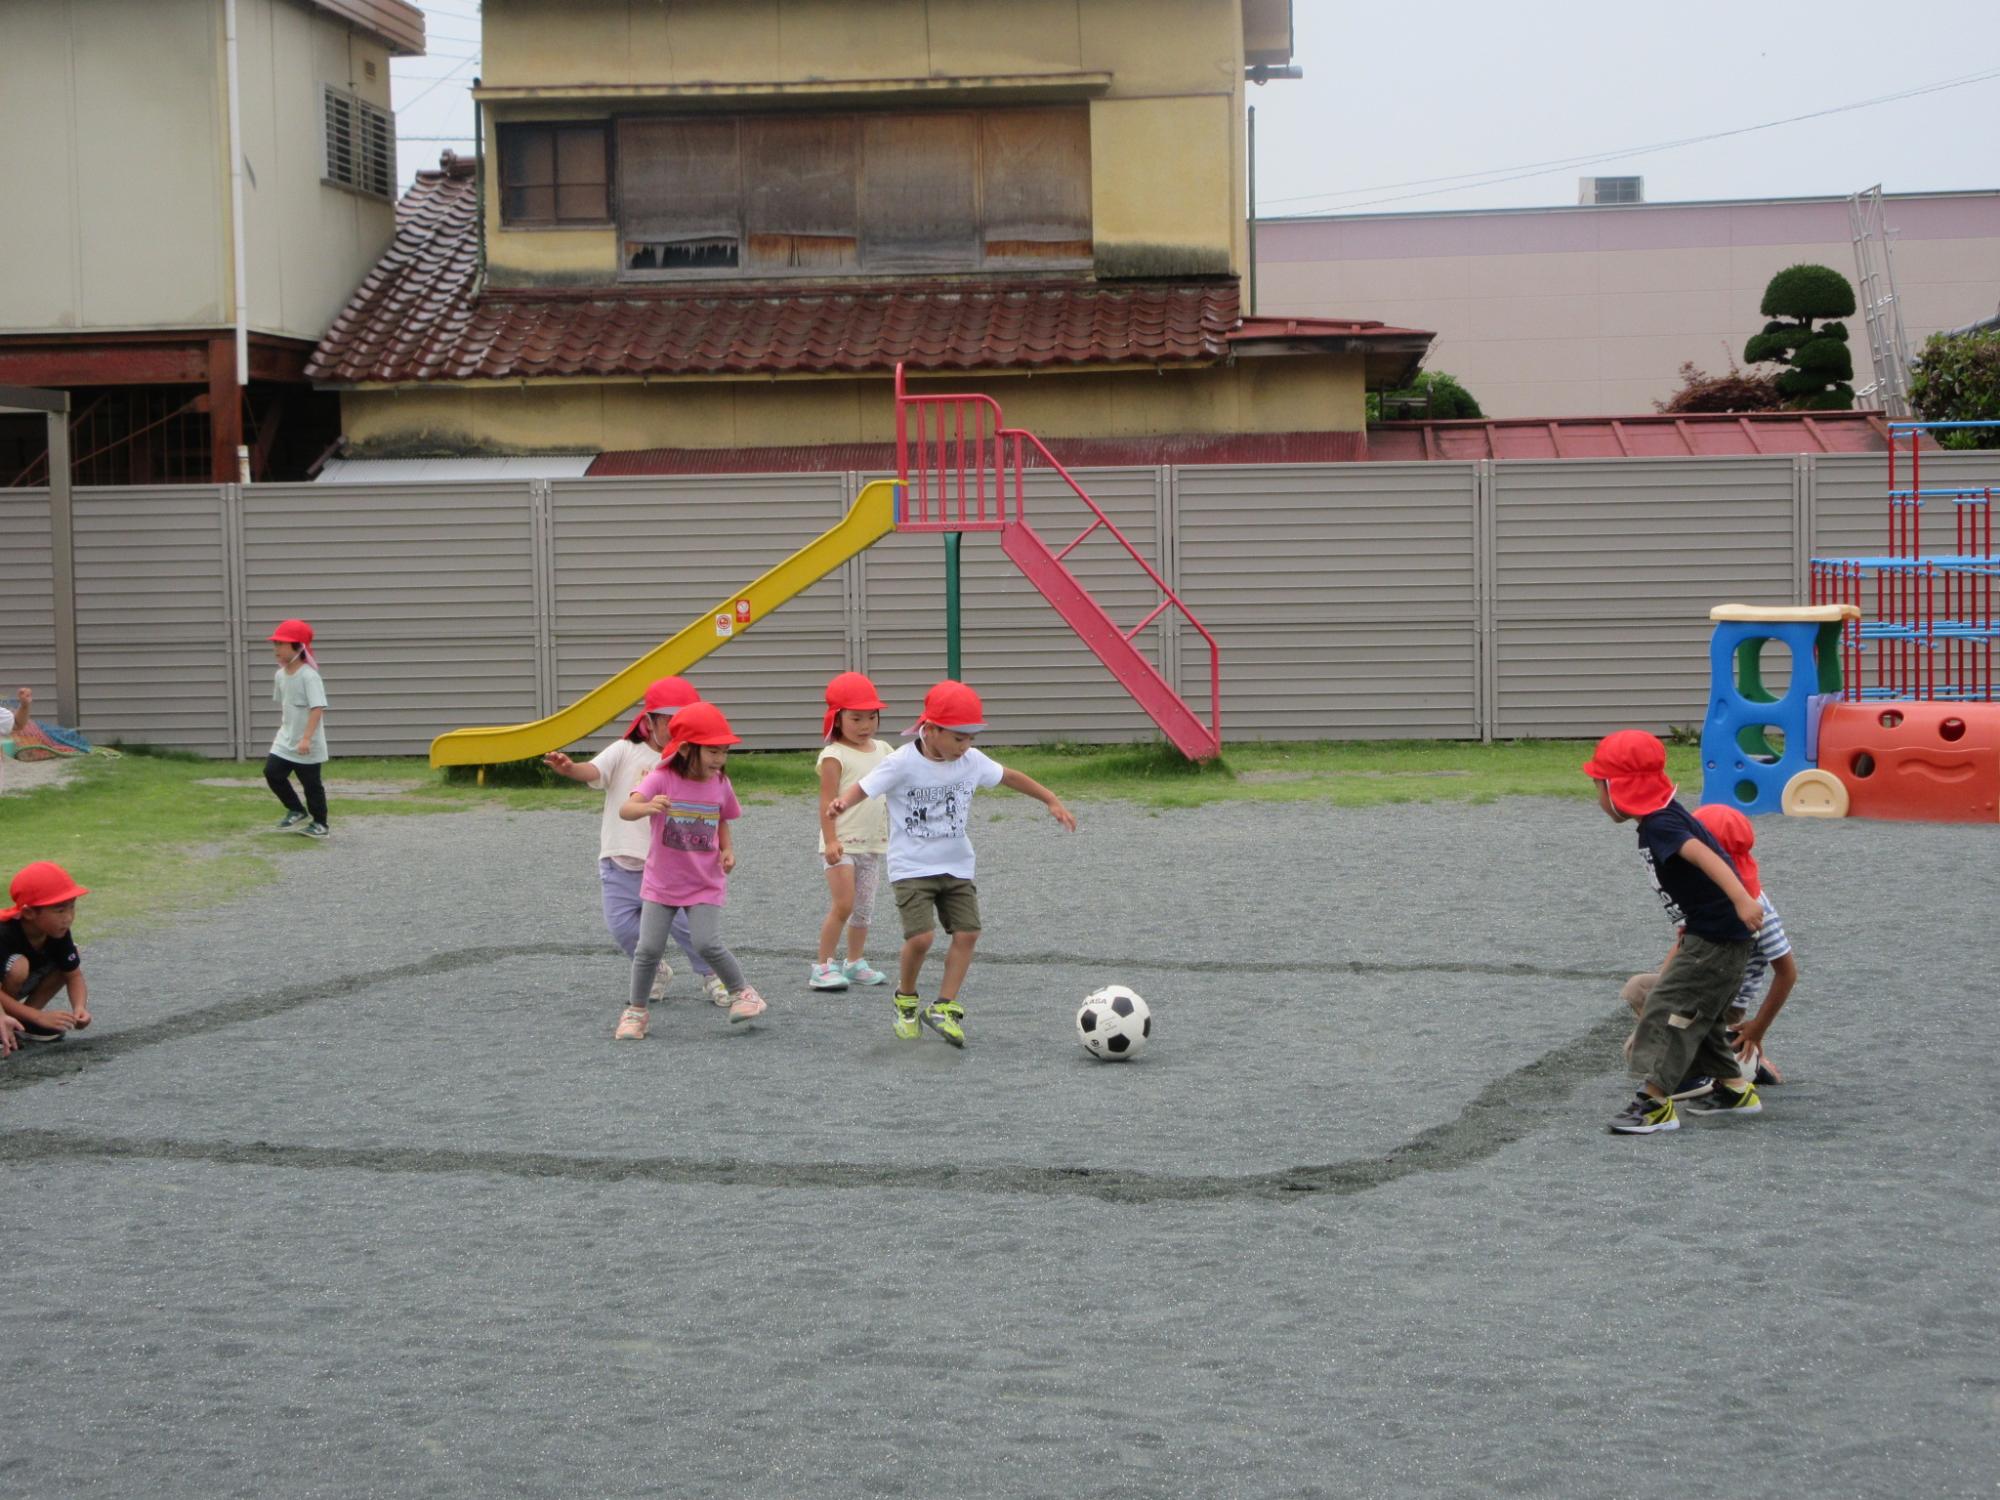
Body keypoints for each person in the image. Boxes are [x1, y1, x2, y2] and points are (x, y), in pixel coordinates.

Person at [826, 680, 1075, 1047]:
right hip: (911, 867)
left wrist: (1050, 799)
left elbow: (1009, 776)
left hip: (957, 866)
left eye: (971, 738)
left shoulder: (971, 761)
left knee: (968, 933)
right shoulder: (901, 762)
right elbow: (867, 785)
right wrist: (843, 802)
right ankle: (906, 998)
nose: (966, 746)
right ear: (930, 730)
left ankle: (945, 1006)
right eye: (959, 737)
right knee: (922, 938)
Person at [1585, 730, 1766, 1135]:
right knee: (1702, 1016)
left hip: (1718, 938)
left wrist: (1741, 898)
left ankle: (1654, 1102)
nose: (1597, 796)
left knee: (1669, 1008)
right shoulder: (1661, 820)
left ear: (1619, 787)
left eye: (1598, 785)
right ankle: (1736, 1090)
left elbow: (1705, 853)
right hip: (1713, 936)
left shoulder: (1662, 824)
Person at [543, 677, 730, 1006]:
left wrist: (720, 847)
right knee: (621, 925)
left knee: (688, 929)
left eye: (685, 720)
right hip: (619, 861)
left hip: (669, 865)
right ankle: (655, 970)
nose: (677, 727)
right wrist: (571, 769)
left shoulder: (689, 766)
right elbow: (593, 771)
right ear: (649, 722)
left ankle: (712, 975)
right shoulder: (625, 750)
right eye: (669, 721)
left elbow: (715, 807)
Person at [615, 701, 767, 1038]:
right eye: (712, 752)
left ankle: (745, 994)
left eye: (724, 752)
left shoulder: (719, 783)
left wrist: (727, 848)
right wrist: (645, 806)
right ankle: (636, 1012)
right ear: (685, 749)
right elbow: (626, 809)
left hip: (704, 881)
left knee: (706, 943)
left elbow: (722, 817)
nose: (719, 759)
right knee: (648, 949)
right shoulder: (662, 778)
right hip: (662, 882)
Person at [1621, 803, 1796, 1091]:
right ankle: (1698, 1053)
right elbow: (1685, 942)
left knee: (1664, 1041)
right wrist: (1661, 996)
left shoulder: (1756, 908)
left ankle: (1734, 1065)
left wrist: (1758, 1028)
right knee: (1639, 989)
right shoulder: (1705, 895)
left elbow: (1787, 973)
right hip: (1697, 983)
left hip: (1723, 999)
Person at [811, 671, 893, 992]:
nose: (865, 725)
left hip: (873, 844)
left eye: (871, 717)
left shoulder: (885, 749)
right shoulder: (834, 755)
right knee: (843, 905)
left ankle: (855, 962)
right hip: (841, 845)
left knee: (863, 910)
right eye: (856, 718)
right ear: (837, 718)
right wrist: (830, 839)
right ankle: (822, 966)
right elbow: (826, 800)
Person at [1, 861, 92, 1047]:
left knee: (66, 960)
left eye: (72, 907)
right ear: (28, 912)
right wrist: (39, 1017)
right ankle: (7, 1022)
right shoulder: (4, 933)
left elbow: (73, 975)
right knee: (19, 965)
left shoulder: (58, 931)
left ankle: (22, 1024)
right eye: (59, 910)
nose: (68, 917)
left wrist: (80, 1007)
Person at [265, 619, 330, 839]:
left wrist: (306, 739)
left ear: (298, 647)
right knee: (272, 773)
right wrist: (288, 734)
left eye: (281, 644)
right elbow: (286, 705)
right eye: (275, 644)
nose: (276, 649)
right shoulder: (280, 676)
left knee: (311, 785)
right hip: (285, 738)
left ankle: (320, 824)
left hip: (307, 743)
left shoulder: (309, 676)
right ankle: (296, 809)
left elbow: (317, 708)